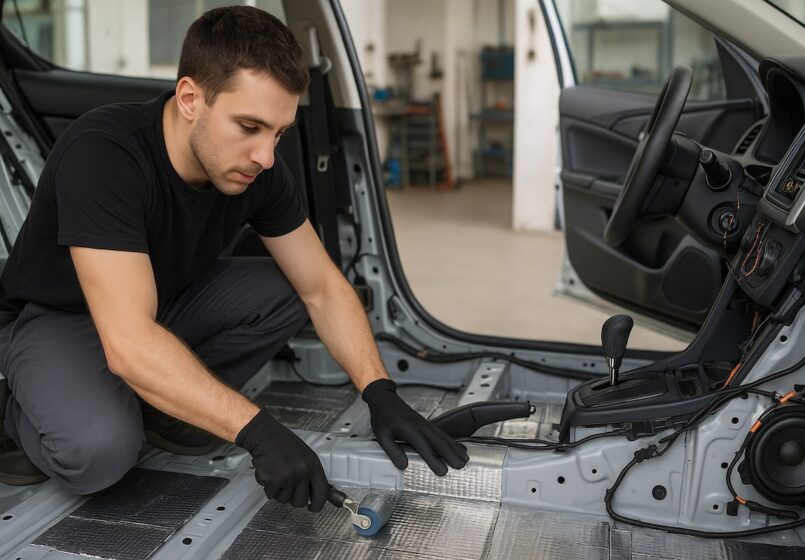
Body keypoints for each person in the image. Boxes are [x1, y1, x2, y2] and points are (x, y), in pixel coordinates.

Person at [0, 6, 468, 511]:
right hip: (59, 319)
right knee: (99, 453)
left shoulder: (256, 168)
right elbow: (130, 341)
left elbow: (323, 287)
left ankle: (164, 407)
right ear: (189, 99)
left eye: (279, 133)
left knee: (290, 288)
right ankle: (16, 405)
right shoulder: (105, 153)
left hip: (162, 304)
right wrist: (257, 430)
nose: (266, 156)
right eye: (249, 126)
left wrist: (379, 392)